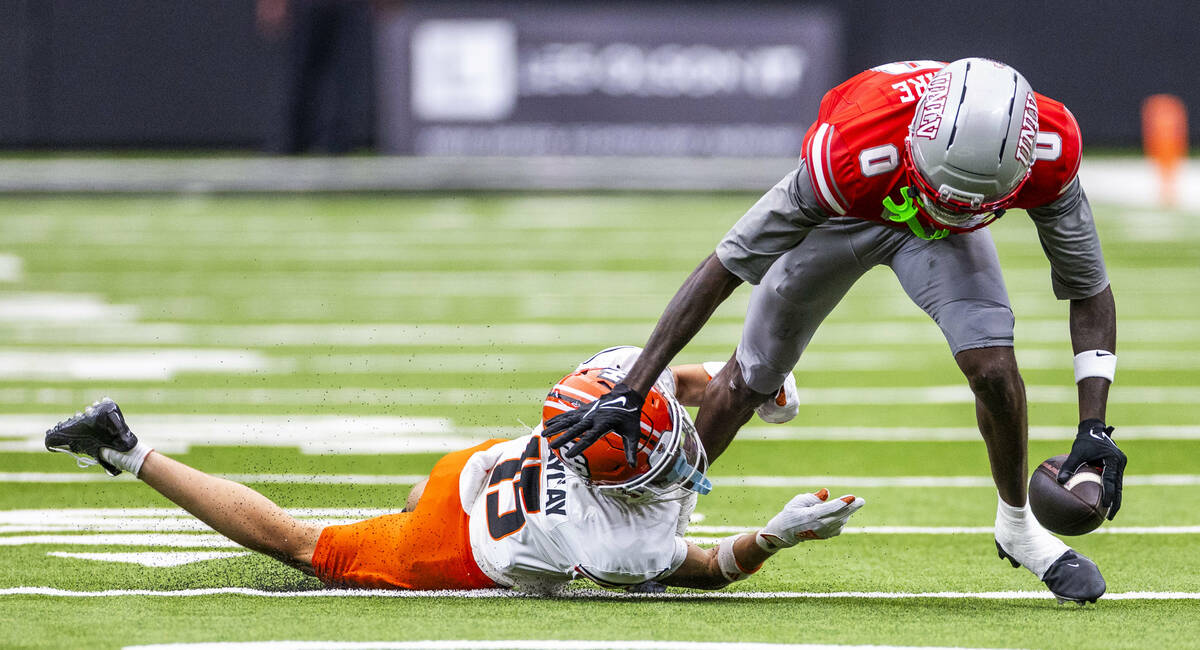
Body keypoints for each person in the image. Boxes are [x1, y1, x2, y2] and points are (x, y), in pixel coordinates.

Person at [543, 58, 1127, 604]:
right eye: (943, 191)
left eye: (970, 201)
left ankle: (1017, 527)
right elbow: (726, 264)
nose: (949, 207)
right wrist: (636, 384)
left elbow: (1088, 286)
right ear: (919, 144)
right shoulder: (850, 150)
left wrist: (1094, 428)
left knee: (995, 368)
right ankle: (664, 515)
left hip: (938, 243)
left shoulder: (1051, 148)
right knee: (749, 378)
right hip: (849, 216)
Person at [43, 347, 862, 593]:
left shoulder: (601, 390)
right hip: (463, 545)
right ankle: (128, 449)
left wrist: (745, 380)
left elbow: (662, 381)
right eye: (663, 456)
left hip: (483, 468)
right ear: (616, 482)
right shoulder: (615, 544)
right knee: (306, 547)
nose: (686, 450)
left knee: (421, 490)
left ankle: (413, 499)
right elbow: (706, 567)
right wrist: (775, 537)